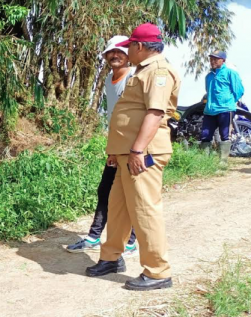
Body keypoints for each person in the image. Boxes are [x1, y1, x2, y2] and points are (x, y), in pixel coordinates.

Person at [85, 23, 181, 291]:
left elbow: (155, 113)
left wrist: (137, 150)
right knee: (118, 208)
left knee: (145, 210)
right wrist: (119, 152)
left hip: (143, 154)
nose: (127, 50)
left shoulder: (159, 72)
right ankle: (111, 258)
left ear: (140, 46)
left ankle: (158, 272)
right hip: (127, 155)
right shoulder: (143, 70)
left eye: (129, 46)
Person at [66, 36, 138, 257]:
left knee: (133, 194)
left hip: (134, 147)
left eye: (120, 52)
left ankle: (131, 241)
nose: (115, 55)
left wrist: (135, 148)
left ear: (129, 55)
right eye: (111, 52)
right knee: (105, 190)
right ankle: (94, 237)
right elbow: (112, 118)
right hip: (117, 146)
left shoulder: (135, 77)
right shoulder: (109, 79)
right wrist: (112, 149)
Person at [201, 51, 245, 163]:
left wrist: (230, 102)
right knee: (205, 135)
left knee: (225, 135)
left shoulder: (230, 73)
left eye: (215, 59)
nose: (212, 61)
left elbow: (239, 90)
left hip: (226, 109)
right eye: (211, 59)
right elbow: (208, 91)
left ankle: (223, 161)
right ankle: (206, 162)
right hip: (210, 110)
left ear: (223, 60)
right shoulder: (209, 76)